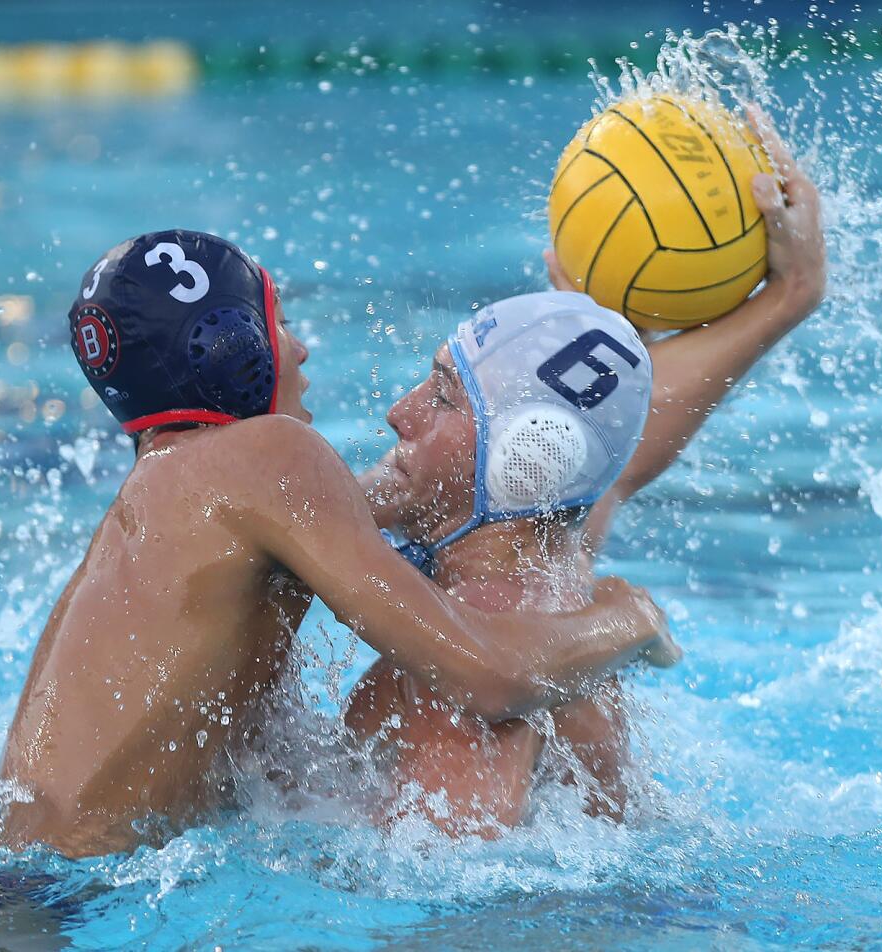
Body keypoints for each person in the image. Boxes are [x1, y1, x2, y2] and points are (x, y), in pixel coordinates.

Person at [0, 230, 675, 859]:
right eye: (280, 320)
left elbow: (524, 477)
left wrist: (573, 343)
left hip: (24, 882)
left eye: (440, 396)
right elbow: (486, 676)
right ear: (232, 347)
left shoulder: (190, 485)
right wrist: (630, 619)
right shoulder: (270, 456)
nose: (301, 347)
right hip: (68, 898)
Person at [345, 107, 826, 835]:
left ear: (523, 460)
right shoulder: (554, 566)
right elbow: (612, 450)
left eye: (443, 395)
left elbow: (456, 903)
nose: (399, 414)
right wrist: (791, 298)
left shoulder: (480, 652)